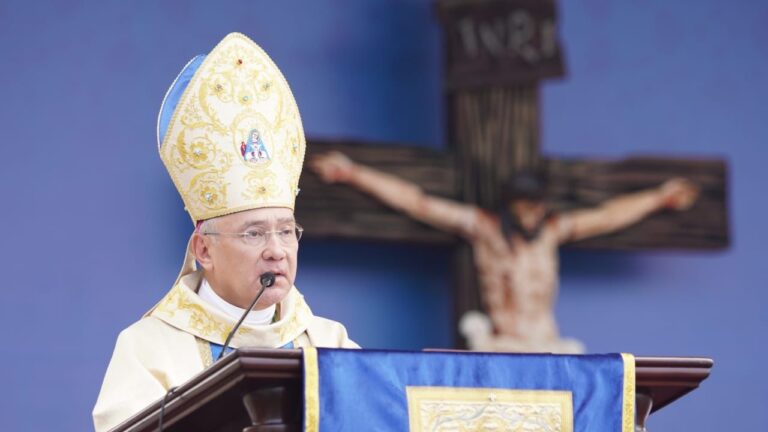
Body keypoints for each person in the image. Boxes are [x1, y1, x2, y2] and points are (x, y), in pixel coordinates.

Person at [93, 33, 357, 432]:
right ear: (204, 249)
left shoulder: (330, 344)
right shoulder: (148, 350)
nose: (276, 251)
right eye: (254, 234)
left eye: (287, 232)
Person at [311, 151, 698, 354]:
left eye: (537, 205)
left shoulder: (552, 230)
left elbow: (607, 216)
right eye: (524, 206)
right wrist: (353, 173)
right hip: (503, 342)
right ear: (511, 204)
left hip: (548, 342)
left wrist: (658, 197)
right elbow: (419, 202)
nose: (531, 213)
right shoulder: (484, 229)